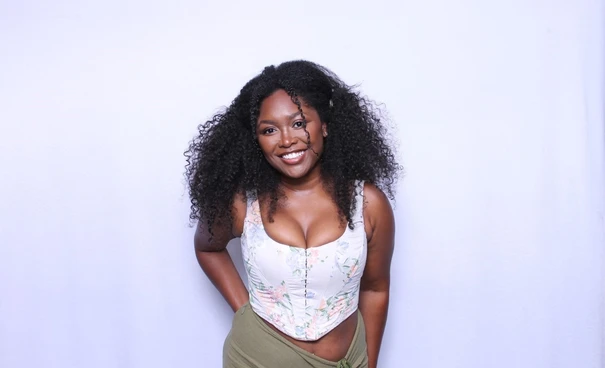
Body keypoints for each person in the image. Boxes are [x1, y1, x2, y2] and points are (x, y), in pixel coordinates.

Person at [184, 60, 400, 368]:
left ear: (324, 124)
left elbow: (375, 288)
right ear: (256, 141)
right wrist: (245, 310)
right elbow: (207, 247)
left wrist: (370, 365)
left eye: (299, 123)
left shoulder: (368, 204)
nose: (286, 140)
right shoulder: (242, 203)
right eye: (269, 130)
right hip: (255, 358)